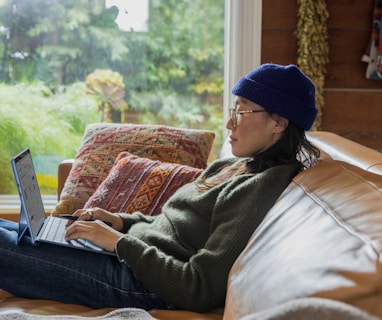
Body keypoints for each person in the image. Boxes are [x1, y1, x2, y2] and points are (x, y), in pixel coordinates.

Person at [0, 63, 320, 313]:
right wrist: (119, 222)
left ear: (279, 122)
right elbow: (171, 229)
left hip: (142, 283)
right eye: (231, 111)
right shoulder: (233, 165)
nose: (229, 124)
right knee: (18, 231)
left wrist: (119, 244)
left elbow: (198, 287)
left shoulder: (261, 188)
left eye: (241, 111)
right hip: (128, 256)